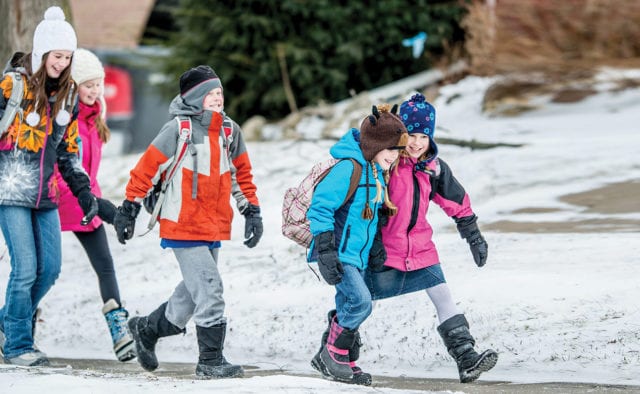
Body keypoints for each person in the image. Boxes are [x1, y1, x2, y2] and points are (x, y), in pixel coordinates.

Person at [113, 65, 263, 379]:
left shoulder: (229, 131)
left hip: (214, 225)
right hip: (182, 224)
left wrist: (252, 211)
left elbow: (241, 175)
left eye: (220, 92)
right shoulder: (177, 130)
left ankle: (147, 329)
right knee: (210, 289)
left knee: (191, 297)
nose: (218, 98)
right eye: (211, 94)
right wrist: (129, 208)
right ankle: (210, 361)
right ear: (195, 98)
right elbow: (146, 170)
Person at [366, 93, 497, 383]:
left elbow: (457, 201)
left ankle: (467, 359)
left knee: (443, 297)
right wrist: (373, 243)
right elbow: (371, 204)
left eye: (423, 136)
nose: (416, 142)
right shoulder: (388, 164)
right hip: (385, 249)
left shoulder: (433, 168)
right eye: (410, 134)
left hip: (421, 248)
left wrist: (473, 236)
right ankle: (335, 348)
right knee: (362, 302)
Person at [0, 6, 98, 366]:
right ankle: (18, 346)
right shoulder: (13, 86)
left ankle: (6, 323)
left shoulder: (68, 96)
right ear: (42, 54)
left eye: (68, 57)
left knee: (50, 269)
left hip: (47, 193)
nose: (62, 63)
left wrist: (84, 192)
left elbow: (69, 154)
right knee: (25, 268)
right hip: (10, 190)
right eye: (57, 56)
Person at [308, 105, 408, 386]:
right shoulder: (348, 168)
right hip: (339, 253)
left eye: (398, 150)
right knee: (361, 303)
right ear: (375, 145)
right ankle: (333, 353)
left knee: (348, 304)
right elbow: (320, 208)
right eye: (390, 148)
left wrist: (375, 246)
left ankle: (342, 359)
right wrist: (326, 250)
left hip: (358, 255)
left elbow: (372, 214)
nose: (394, 156)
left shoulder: (376, 172)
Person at [54, 48, 135, 362]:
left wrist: (104, 205)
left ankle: (119, 332)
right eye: (88, 84)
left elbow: (89, 170)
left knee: (106, 266)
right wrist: (96, 204)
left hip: (88, 198)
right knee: (44, 269)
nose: (95, 90)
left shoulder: (96, 117)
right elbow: (64, 166)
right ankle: (16, 321)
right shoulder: (66, 117)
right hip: (62, 199)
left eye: (98, 83)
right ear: (73, 86)